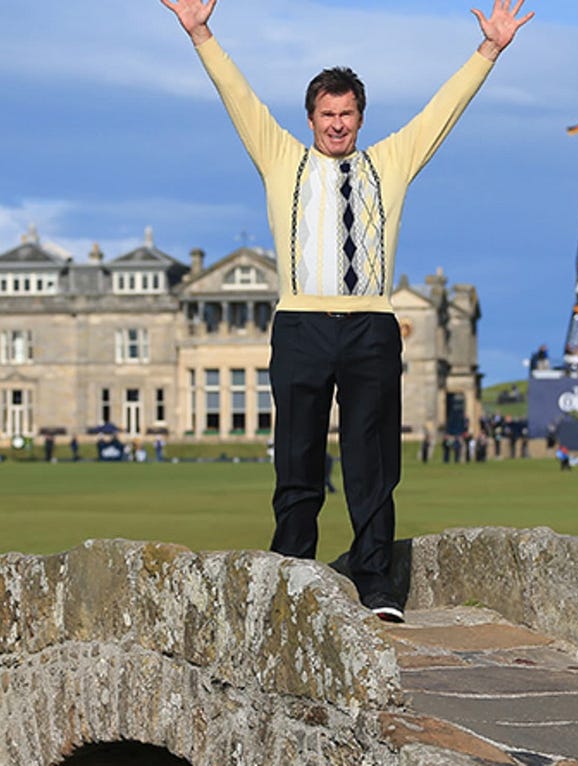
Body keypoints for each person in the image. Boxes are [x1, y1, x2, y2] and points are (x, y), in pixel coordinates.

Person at [162, 0, 533, 624]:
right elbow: (238, 96)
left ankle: (377, 587)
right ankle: (292, 579)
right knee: (297, 458)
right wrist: (201, 33)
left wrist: (489, 51)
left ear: (361, 117)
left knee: (372, 463)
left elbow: (443, 111)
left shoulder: (389, 162)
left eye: (347, 113)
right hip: (301, 324)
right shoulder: (282, 159)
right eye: (328, 114)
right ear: (311, 117)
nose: (337, 124)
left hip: (371, 325)